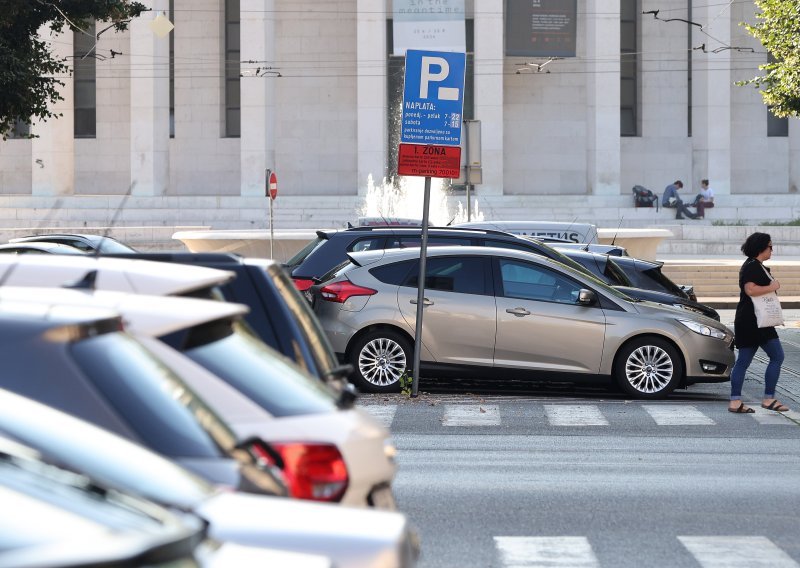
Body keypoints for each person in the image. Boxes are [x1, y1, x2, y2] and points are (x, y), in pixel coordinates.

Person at [728, 232, 789, 413]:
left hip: (748, 320)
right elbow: (751, 290)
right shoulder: (753, 266)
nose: (772, 250)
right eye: (770, 246)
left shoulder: (752, 265)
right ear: (761, 247)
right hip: (756, 321)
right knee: (777, 356)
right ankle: (768, 398)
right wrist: (773, 286)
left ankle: (735, 401)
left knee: (743, 361)